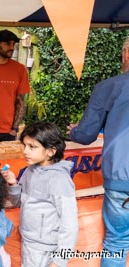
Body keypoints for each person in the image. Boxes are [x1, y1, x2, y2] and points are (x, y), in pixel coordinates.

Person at [67, 37, 129, 267]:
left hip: (122, 179)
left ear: (126, 54)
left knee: (116, 243)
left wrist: (74, 131)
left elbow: (85, 135)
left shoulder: (109, 87)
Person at [3, 122, 78, 267]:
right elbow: (20, 202)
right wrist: (13, 184)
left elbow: (70, 224)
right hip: (29, 242)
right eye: (24, 146)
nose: (25, 151)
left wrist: (60, 260)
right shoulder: (30, 171)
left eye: (32, 147)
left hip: (47, 249)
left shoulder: (60, 180)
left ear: (51, 151)